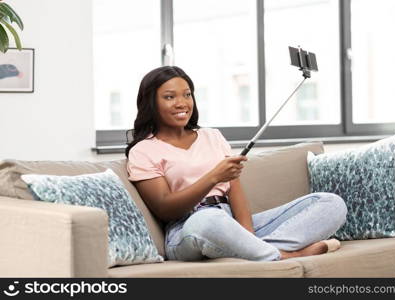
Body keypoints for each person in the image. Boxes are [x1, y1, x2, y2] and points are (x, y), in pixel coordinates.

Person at [126, 66, 347, 261]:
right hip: (188, 228)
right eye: (169, 97)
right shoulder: (143, 151)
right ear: (151, 103)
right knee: (208, 220)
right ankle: (287, 255)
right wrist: (213, 177)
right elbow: (165, 209)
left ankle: (251, 249)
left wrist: (246, 233)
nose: (182, 103)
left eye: (187, 95)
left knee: (330, 204)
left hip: (228, 220)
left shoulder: (212, 137)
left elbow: (235, 191)